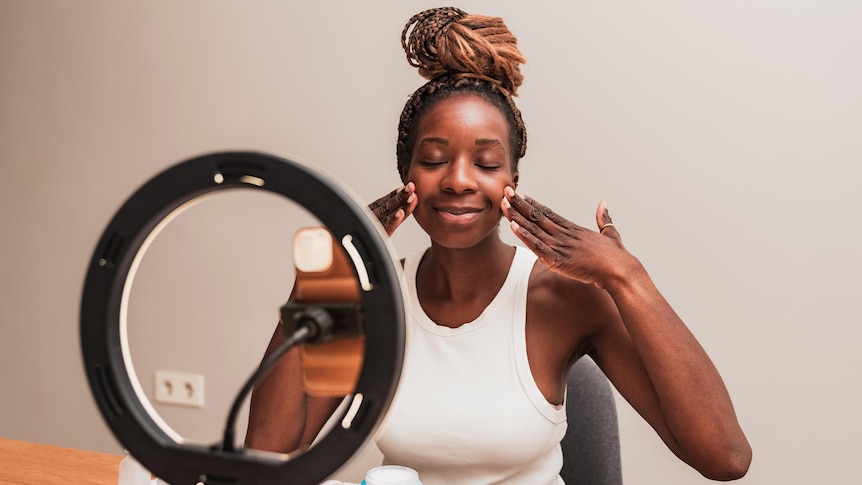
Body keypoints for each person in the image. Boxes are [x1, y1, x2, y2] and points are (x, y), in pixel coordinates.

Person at [246, 6, 752, 483]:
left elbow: (724, 457)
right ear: (407, 175)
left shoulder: (566, 297)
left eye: (486, 163)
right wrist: (318, 287)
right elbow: (268, 456)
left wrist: (627, 277)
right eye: (435, 158)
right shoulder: (374, 301)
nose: (459, 180)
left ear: (512, 178)